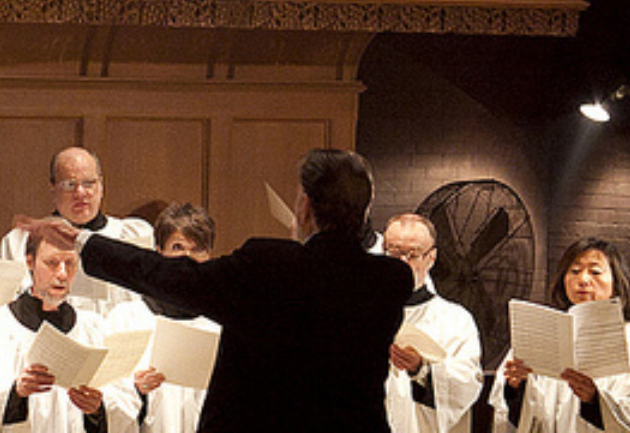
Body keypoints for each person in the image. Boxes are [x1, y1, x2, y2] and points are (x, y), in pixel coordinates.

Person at [37, 148, 413, 432]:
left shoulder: (269, 265)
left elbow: (170, 278)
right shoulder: (390, 279)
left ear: (304, 207)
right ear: (364, 211)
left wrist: (84, 241)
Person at [0, 217, 136, 433]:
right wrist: (16, 392)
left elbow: (125, 401)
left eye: (70, 264)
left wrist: (97, 409)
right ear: (29, 261)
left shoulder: (94, 328)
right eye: (52, 263)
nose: (62, 274)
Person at [490, 238, 630, 432]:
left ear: (615, 281)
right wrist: (516, 387)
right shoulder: (543, 332)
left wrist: (595, 402)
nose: (583, 280)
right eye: (574, 271)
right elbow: (510, 411)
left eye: (595, 272)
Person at [105, 202, 221, 433]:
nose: (187, 258)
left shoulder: (220, 325)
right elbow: (107, 397)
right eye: (177, 247)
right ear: (159, 251)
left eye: (197, 249)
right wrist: (136, 390)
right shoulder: (127, 319)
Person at [0, 147, 155, 315]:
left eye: (88, 183)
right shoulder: (20, 241)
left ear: (101, 185)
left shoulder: (133, 234)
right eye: (69, 185)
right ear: (53, 187)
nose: (80, 193)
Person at [380, 214, 482, 433]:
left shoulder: (455, 320)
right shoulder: (363, 312)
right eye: (394, 252)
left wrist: (421, 371)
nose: (402, 263)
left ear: (431, 258)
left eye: (413, 255)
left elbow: (468, 384)